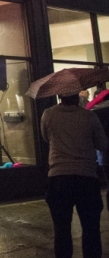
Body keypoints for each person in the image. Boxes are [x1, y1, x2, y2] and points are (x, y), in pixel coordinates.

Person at [41, 92, 108, 258]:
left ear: (59, 96)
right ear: (77, 97)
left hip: (58, 178)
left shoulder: (48, 114)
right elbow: (102, 144)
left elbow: (46, 138)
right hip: (86, 178)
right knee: (91, 230)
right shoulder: (89, 116)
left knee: (61, 230)